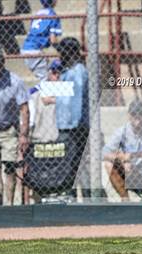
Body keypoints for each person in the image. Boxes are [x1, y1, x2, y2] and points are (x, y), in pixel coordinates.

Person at [103, 100, 142, 200]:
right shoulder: (122, 131)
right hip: (128, 171)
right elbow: (104, 153)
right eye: (134, 114)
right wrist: (121, 157)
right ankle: (125, 200)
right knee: (108, 164)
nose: (137, 117)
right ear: (129, 115)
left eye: (140, 113)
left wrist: (137, 154)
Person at [0, 46, 30, 205]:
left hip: (8, 130)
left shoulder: (15, 81)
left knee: (9, 168)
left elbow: (24, 109)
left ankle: (9, 205)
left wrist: (23, 134)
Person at [54, 37, 89, 199]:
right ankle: (70, 194)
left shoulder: (78, 71)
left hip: (74, 128)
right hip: (65, 125)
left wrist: (74, 126)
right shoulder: (67, 72)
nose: (60, 56)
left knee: (73, 162)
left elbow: (77, 101)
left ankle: (76, 195)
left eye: (63, 52)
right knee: (67, 162)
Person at [22, 0, 62, 81]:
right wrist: (62, 51)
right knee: (47, 81)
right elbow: (53, 40)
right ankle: (30, 93)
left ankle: (31, 92)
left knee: (47, 77)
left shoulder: (39, 13)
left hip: (26, 48)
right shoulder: (52, 15)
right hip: (34, 51)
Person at [28, 59, 62, 143]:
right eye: (54, 72)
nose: (57, 75)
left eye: (60, 72)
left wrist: (53, 100)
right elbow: (29, 93)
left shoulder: (67, 86)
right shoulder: (41, 86)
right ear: (49, 73)